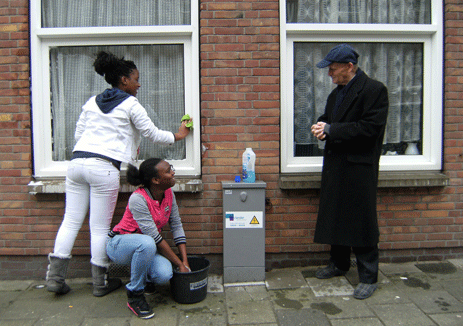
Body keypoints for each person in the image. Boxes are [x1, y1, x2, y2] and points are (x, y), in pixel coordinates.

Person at [46, 51, 192, 297]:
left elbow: (77, 134)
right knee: (99, 228)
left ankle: (55, 278)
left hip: (77, 163)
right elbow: (152, 133)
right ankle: (100, 284)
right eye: (136, 78)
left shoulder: (92, 102)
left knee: (70, 221)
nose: (139, 83)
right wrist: (178, 135)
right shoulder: (131, 104)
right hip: (104, 168)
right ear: (124, 80)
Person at [310, 43, 388, 300]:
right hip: (336, 164)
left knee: (361, 219)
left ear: (349, 67)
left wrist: (332, 130)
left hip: (359, 167)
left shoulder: (374, 90)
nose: (329, 74)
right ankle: (338, 263)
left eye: (333, 69)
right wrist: (322, 126)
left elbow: (369, 129)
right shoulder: (336, 94)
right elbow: (331, 119)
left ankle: (368, 276)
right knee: (336, 214)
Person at [106, 158, 190, 319]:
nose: (173, 172)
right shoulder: (139, 198)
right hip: (119, 244)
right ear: (156, 180)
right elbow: (154, 238)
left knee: (164, 274)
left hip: (145, 246)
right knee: (148, 242)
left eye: (171, 168)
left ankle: (145, 278)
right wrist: (179, 264)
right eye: (168, 171)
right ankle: (135, 294)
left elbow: (176, 225)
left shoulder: (168, 194)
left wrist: (184, 261)